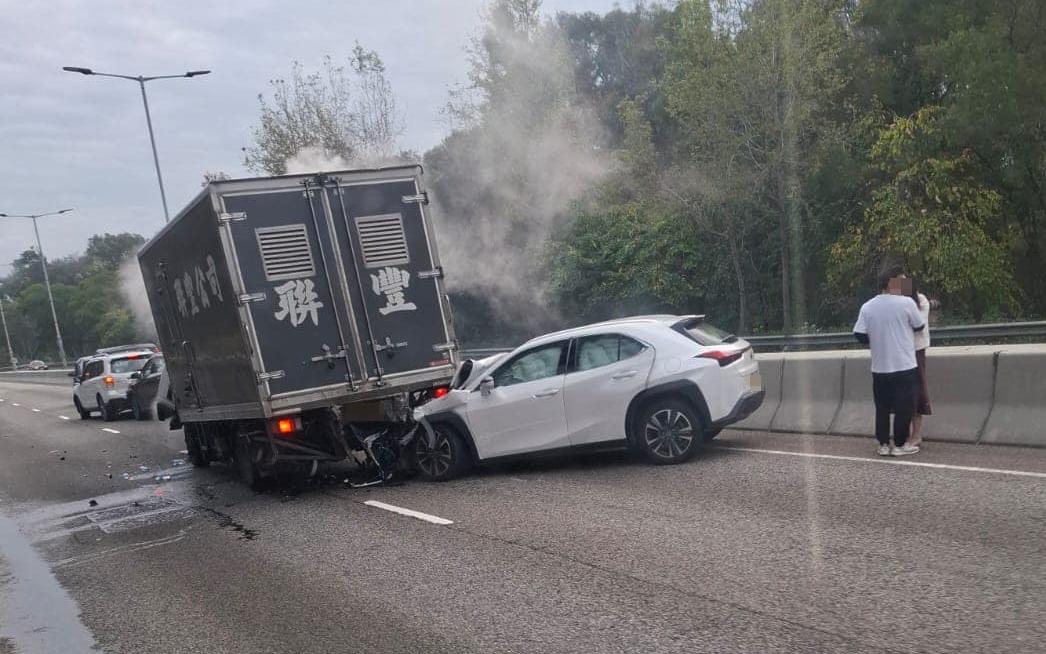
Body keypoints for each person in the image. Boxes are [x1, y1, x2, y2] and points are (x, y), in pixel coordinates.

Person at [853, 266, 925, 457]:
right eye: (901, 281)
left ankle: (884, 443)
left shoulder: (867, 306)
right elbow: (919, 325)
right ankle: (901, 444)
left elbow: (859, 334)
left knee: (882, 407)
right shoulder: (906, 303)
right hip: (904, 364)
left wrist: (876, 339)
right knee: (904, 406)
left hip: (879, 366)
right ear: (890, 283)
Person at [908, 280, 938, 447]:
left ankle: (916, 433)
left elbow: (917, 324)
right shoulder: (898, 302)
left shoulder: (920, 301)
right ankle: (904, 432)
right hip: (900, 351)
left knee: (918, 390)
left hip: (916, 350)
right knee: (902, 393)